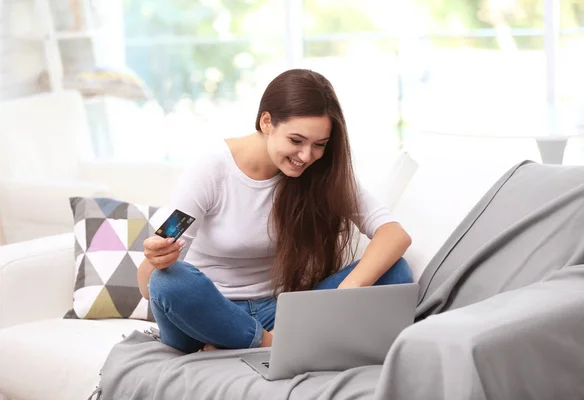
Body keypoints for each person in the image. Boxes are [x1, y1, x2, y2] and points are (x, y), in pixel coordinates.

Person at [137, 69, 413, 354]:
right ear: (266, 122)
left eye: (319, 145)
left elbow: (394, 234)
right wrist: (156, 258)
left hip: (278, 314)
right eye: (296, 141)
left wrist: (350, 290)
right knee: (168, 281)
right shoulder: (210, 169)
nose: (306, 156)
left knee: (394, 270)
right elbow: (150, 287)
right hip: (208, 317)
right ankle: (275, 346)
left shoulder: (320, 172)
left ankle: (240, 346)